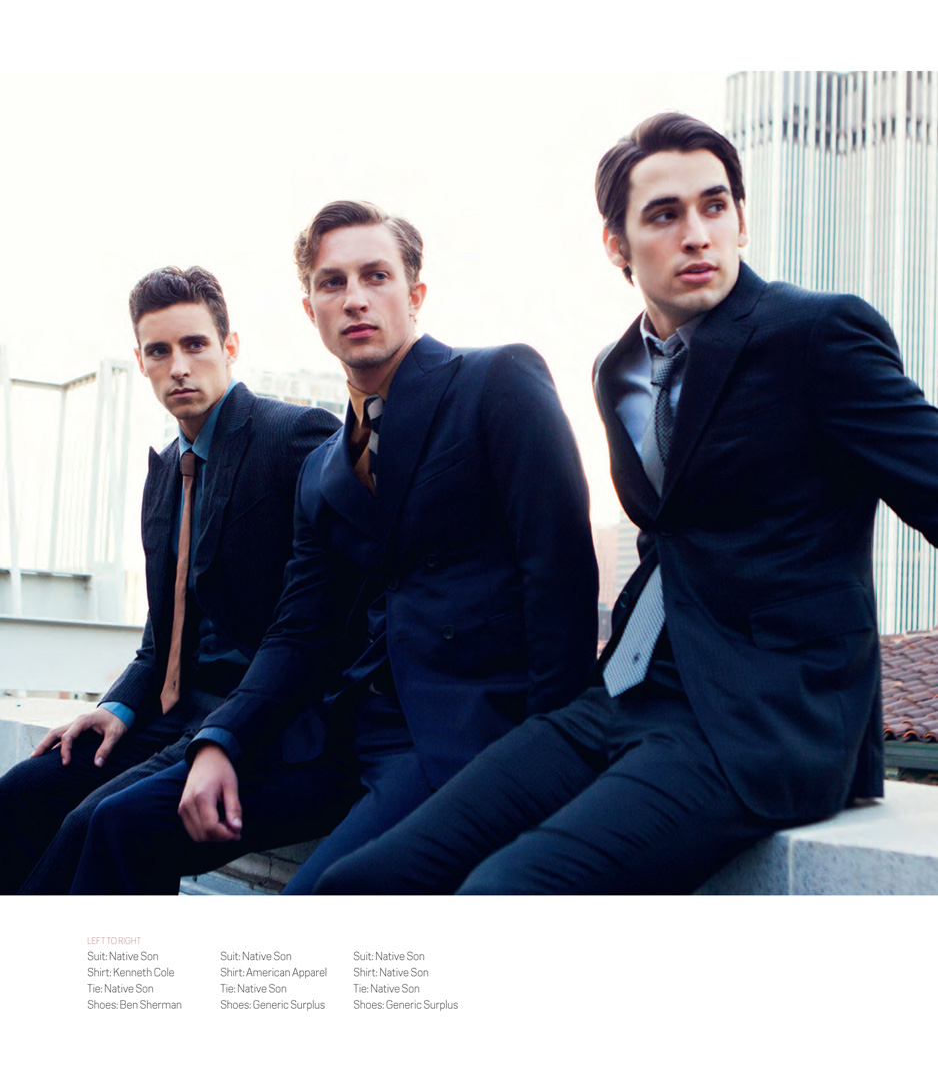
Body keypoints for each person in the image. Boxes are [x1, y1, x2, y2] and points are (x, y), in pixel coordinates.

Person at [313, 112, 938, 895]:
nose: (698, 235)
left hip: (761, 723)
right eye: (665, 214)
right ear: (617, 244)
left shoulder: (816, 335)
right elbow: (668, 539)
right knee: (362, 883)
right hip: (623, 699)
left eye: (715, 206)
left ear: (743, 221)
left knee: (502, 895)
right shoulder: (617, 370)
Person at [71, 200, 598, 894]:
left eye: (375, 276)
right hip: (339, 734)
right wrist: (221, 740)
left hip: (458, 736)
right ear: (310, 309)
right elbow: (299, 630)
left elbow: (559, 574)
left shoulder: (495, 381)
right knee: (118, 823)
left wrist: (546, 757)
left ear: (415, 294)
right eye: (332, 283)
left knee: (318, 906)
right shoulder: (323, 467)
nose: (354, 298)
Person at [0, 266, 339, 894]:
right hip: (174, 710)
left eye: (195, 344)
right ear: (141, 362)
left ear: (230, 346)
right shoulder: (165, 472)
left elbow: (326, 609)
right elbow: (163, 633)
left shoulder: (294, 436)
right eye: (159, 351)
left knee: (95, 822)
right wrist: (116, 706)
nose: (179, 366)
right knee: (23, 789)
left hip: (267, 715)